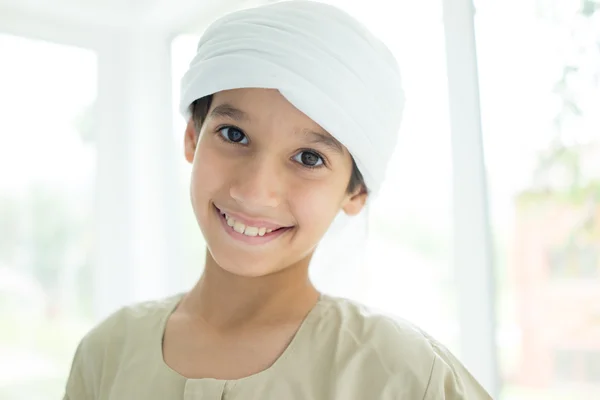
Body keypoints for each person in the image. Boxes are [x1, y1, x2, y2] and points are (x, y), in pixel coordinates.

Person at [63, 1, 492, 399]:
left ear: (355, 192)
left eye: (309, 158)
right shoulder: (106, 354)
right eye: (234, 134)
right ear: (192, 137)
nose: (254, 190)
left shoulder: (406, 376)